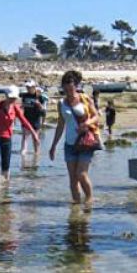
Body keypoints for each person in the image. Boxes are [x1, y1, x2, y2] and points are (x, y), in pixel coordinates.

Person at [49, 70, 100, 204]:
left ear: (76, 86)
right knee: (73, 178)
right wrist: (53, 145)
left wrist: (87, 123)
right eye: (65, 88)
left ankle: (89, 200)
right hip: (69, 144)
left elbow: (96, 116)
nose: (68, 91)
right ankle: (76, 206)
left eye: (71, 88)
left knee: (81, 174)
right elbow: (60, 124)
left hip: (85, 142)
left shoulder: (85, 98)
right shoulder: (61, 103)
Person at [0, 85, 39, 183]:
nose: (12, 100)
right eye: (11, 98)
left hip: (7, 140)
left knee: (6, 165)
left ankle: (5, 189)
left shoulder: (15, 108)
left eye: (14, 98)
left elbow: (24, 121)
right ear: (6, 96)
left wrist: (34, 134)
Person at [20, 80, 49, 154]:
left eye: (29, 87)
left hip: (36, 120)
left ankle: (36, 153)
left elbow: (43, 111)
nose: (28, 88)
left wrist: (39, 105)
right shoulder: (25, 96)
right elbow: (22, 106)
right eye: (27, 87)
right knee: (25, 137)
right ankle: (23, 153)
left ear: (34, 87)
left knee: (35, 138)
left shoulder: (40, 96)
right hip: (26, 119)